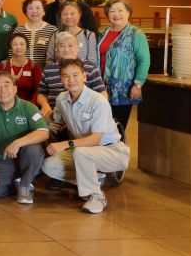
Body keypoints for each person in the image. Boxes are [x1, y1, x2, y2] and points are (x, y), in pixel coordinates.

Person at [42, 59, 131, 214]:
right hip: (82, 151)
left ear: (84, 76)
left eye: (75, 75)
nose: (71, 80)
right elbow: (55, 119)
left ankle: (96, 197)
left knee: (81, 153)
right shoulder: (61, 99)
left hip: (111, 150)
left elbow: (96, 139)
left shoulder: (98, 101)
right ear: (61, 79)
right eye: (66, 76)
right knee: (48, 165)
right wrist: (40, 119)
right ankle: (93, 178)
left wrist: (64, 144)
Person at [0, 72, 49, 203]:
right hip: (2, 160)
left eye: (6, 85)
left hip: (26, 157)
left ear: (14, 89)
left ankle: (25, 185)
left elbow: (44, 132)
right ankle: (21, 181)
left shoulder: (29, 108)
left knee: (33, 149)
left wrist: (17, 143)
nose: (3, 90)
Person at [98, 0, 150, 138]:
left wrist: (138, 85)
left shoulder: (136, 34)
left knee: (116, 129)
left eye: (120, 10)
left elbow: (144, 60)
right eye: (112, 11)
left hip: (122, 89)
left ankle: (118, 151)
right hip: (101, 87)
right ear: (107, 14)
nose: (116, 14)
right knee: (100, 128)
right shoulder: (104, 32)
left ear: (128, 13)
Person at [39, 32, 107, 109]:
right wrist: (45, 105)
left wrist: (95, 109)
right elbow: (41, 93)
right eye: (62, 46)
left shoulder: (89, 67)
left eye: (70, 45)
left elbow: (102, 92)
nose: (66, 49)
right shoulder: (48, 70)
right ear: (57, 49)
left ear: (77, 48)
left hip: (84, 110)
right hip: (54, 110)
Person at [0, 32, 48, 108]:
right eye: (15, 44)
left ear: (26, 46)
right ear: (10, 47)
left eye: (22, 44)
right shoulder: (2, 65)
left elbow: (39, 90)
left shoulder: (34, 66)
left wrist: (29, 106)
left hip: (29, 106)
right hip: (5, 105)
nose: (18, 47)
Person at [47, 1, 99, 66]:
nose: (69, 17)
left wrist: (77, 71)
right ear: (60, 17)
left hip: (82, 72)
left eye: (72, 14)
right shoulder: (55, 35)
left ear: (79, 15)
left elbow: (92, 61)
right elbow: (49, 60)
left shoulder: (89, 35)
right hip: (58, 72)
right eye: (65, 14)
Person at [14, 0, 59, 67]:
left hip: (44, 71)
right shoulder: (18, 30)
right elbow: (12, 53)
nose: (34, 11)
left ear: (44, 12)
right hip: (22, 70)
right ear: (25, 12)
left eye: (38, 8)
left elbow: (56, 55)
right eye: (30, 8)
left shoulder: (52, 30)